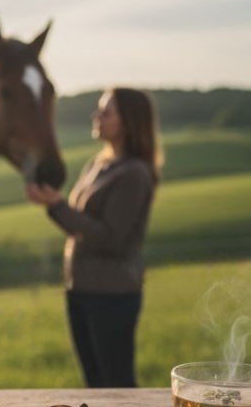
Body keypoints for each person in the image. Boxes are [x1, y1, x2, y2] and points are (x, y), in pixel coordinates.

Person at [24, 87, 160, 388]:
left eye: (106, 112)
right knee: (95, 384)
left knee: (116, 385)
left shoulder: (134, 174)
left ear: (128, 122)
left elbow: (110, 238)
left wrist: (56, 205)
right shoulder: (98, 163)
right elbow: (84, 225)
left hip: (111, 295)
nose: (96, 116)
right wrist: (54, 204)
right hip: (81, 290)